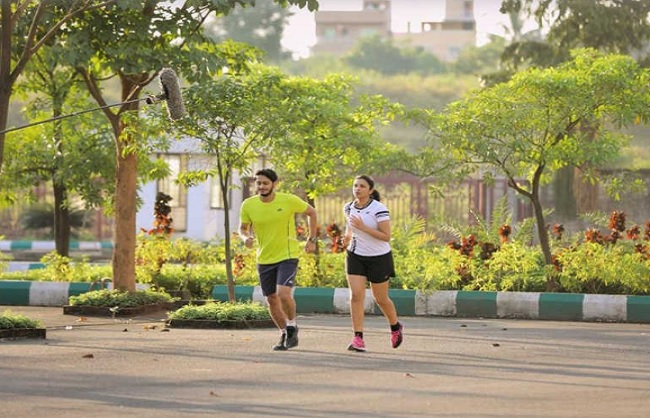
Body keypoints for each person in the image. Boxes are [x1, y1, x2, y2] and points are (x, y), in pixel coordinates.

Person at [239, 168, 318, 351]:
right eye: (258, 183)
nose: (261, 186)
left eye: (265, 183)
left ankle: (291, 325)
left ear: (275, 184)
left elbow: (312, 212)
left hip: (287, 255)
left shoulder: (288, 200)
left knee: (283, 293)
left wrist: (311, 239)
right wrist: (246, 238)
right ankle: (284, 332)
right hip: (264, 257)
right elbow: (243, 228)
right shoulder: (248, 205)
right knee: (271, 299)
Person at [342, 175, 403, 352]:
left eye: (362, 186)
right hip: (355, 255)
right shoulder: (348, 207)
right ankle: (358, 338)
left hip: (379, 258)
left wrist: (364, 228)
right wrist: (345, 239)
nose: (357, 189)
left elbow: (386, 236)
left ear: (370, 190)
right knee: (356, 296)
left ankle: (395, 327)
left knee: (381, 299)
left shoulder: (379, 209)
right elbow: (350, 229)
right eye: (355, 186)